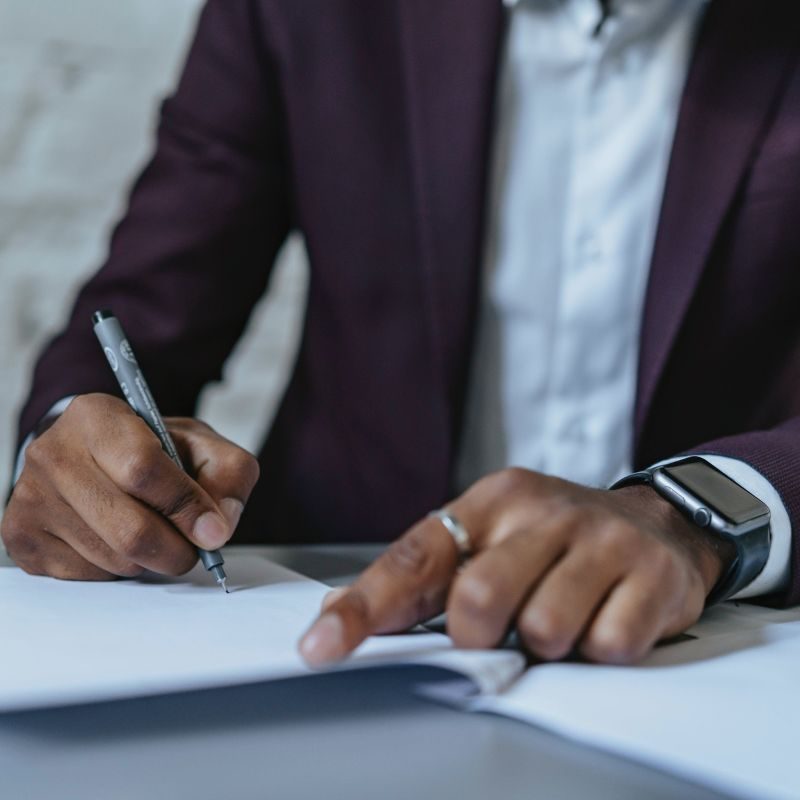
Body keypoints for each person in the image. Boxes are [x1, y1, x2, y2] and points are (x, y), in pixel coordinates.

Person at [3, 0, 799, 668]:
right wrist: (78, 445)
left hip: (713, 648)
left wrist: (694, 516)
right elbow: (141, 313)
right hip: (331, 636)